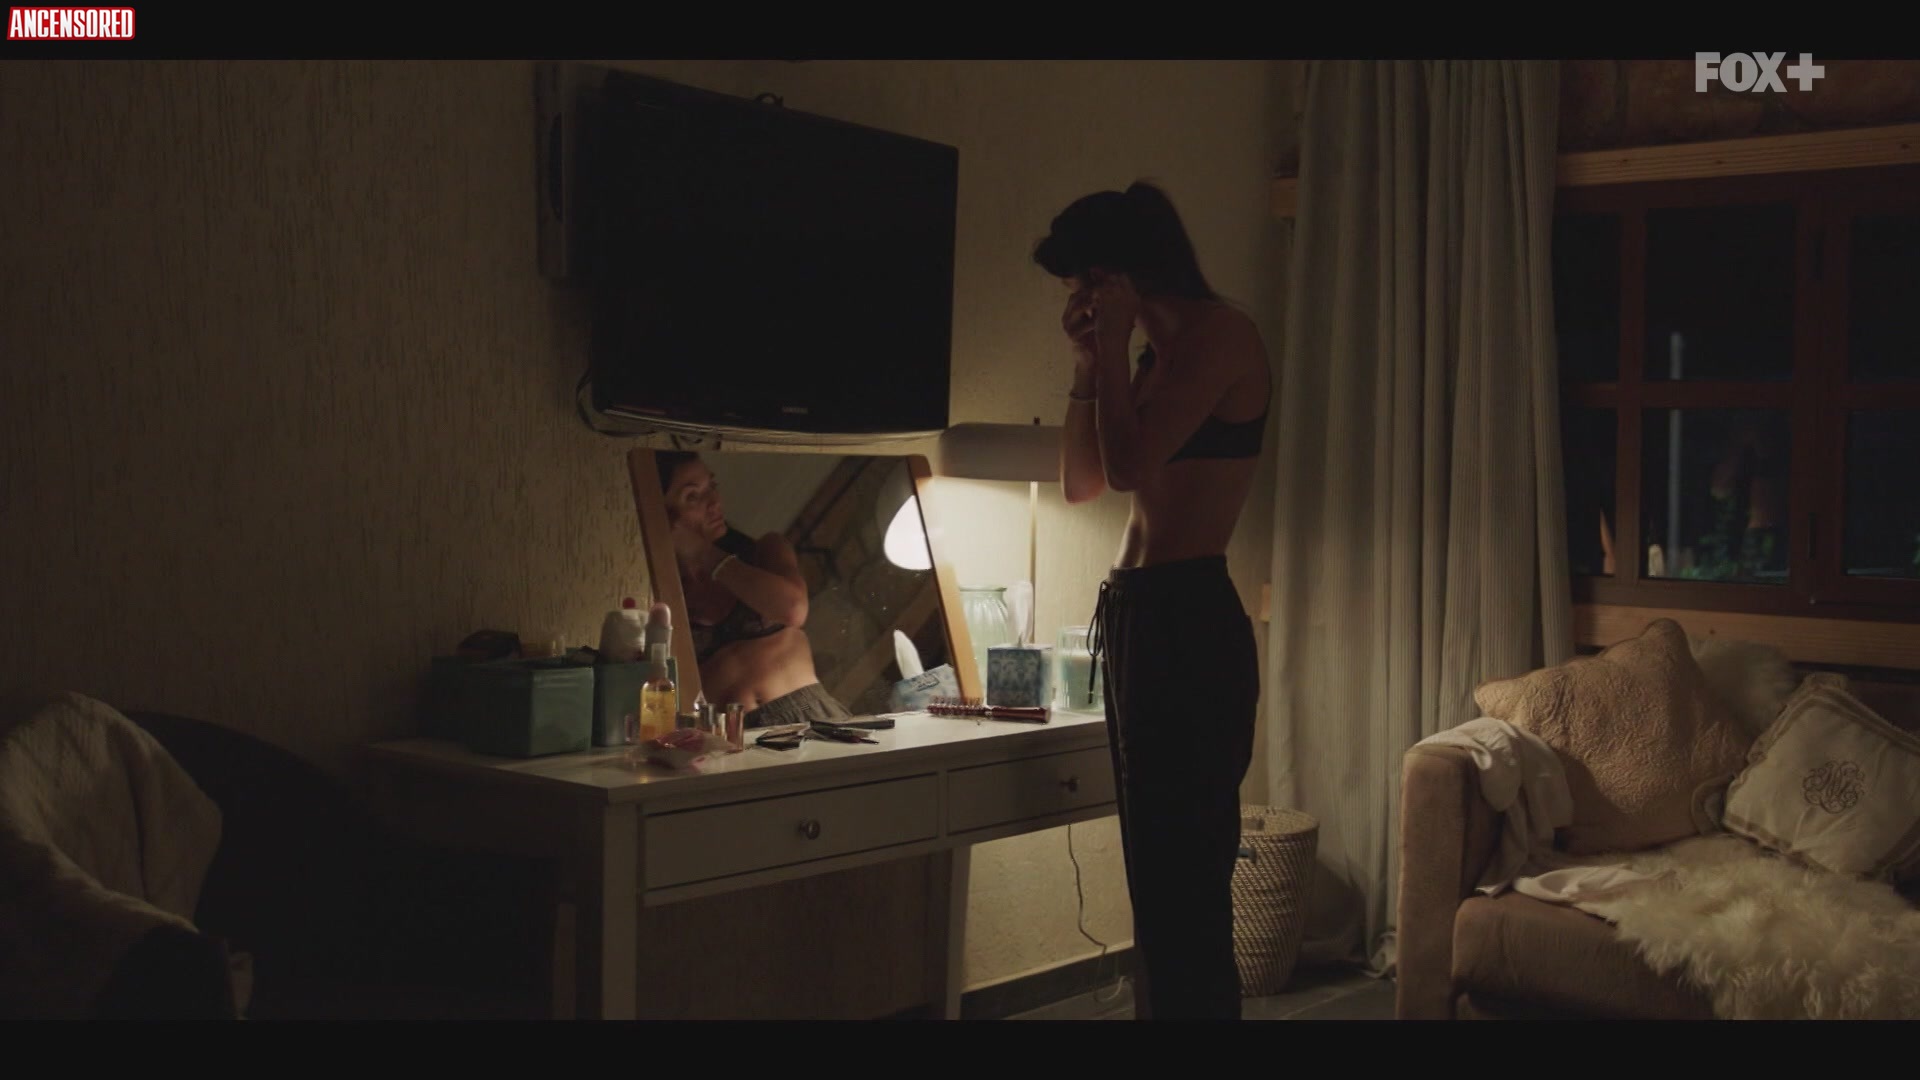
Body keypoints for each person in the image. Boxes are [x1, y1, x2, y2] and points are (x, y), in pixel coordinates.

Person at [1037, 181, 1271, 1020]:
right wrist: (1086, 365)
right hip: (1139, 614)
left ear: (1121, 275)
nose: (1078, 301)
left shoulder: (1220, 337)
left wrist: (1110, 347)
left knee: (1185, 880)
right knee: (1156, 880)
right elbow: (1082, 482)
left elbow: (1131, 467)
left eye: (1083, 284)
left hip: (1187, 618)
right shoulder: (1149, 359)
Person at [655, 451, 853, 729]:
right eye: (693, 496)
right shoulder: (661, 592)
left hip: (808, 717)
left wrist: (703, 553)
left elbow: (794, 610)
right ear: (661, 514)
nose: (714, 501)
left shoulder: (763, 552)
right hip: (734, 736)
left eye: (712, 486)